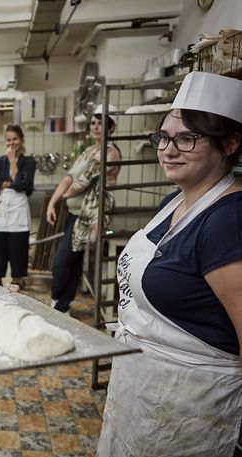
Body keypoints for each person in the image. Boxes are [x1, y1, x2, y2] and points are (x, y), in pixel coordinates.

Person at [97, 71, 242, 456]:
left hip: (194, 407)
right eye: (163, 137)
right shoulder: (174, 203)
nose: (168, 150)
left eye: (187, 138)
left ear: (229, 143)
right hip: (146, 393)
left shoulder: (229, 221)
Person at [46, 103, 121, 313]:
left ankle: (57, 304)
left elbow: (82, 183)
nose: (95, 127)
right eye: (94, 123)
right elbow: (69, 177)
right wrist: (54, 201)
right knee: (72, 261)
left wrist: (64, 196)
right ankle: (64, 305)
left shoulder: (110, 153)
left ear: (112, 127)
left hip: (90, 216)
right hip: (74, 214)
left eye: (101, 123)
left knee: (61, 262)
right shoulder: (89, 150)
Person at [0, 124, 36, 289]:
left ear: (21, 140)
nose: (11, 143)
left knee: (18, 250)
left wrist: (13, 161)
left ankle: (17, 281)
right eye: (8, 140)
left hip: (18, 212)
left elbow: (22, 184)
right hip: (0, 211)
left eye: (15, 139)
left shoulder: (28, 162)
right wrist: (0, 189)